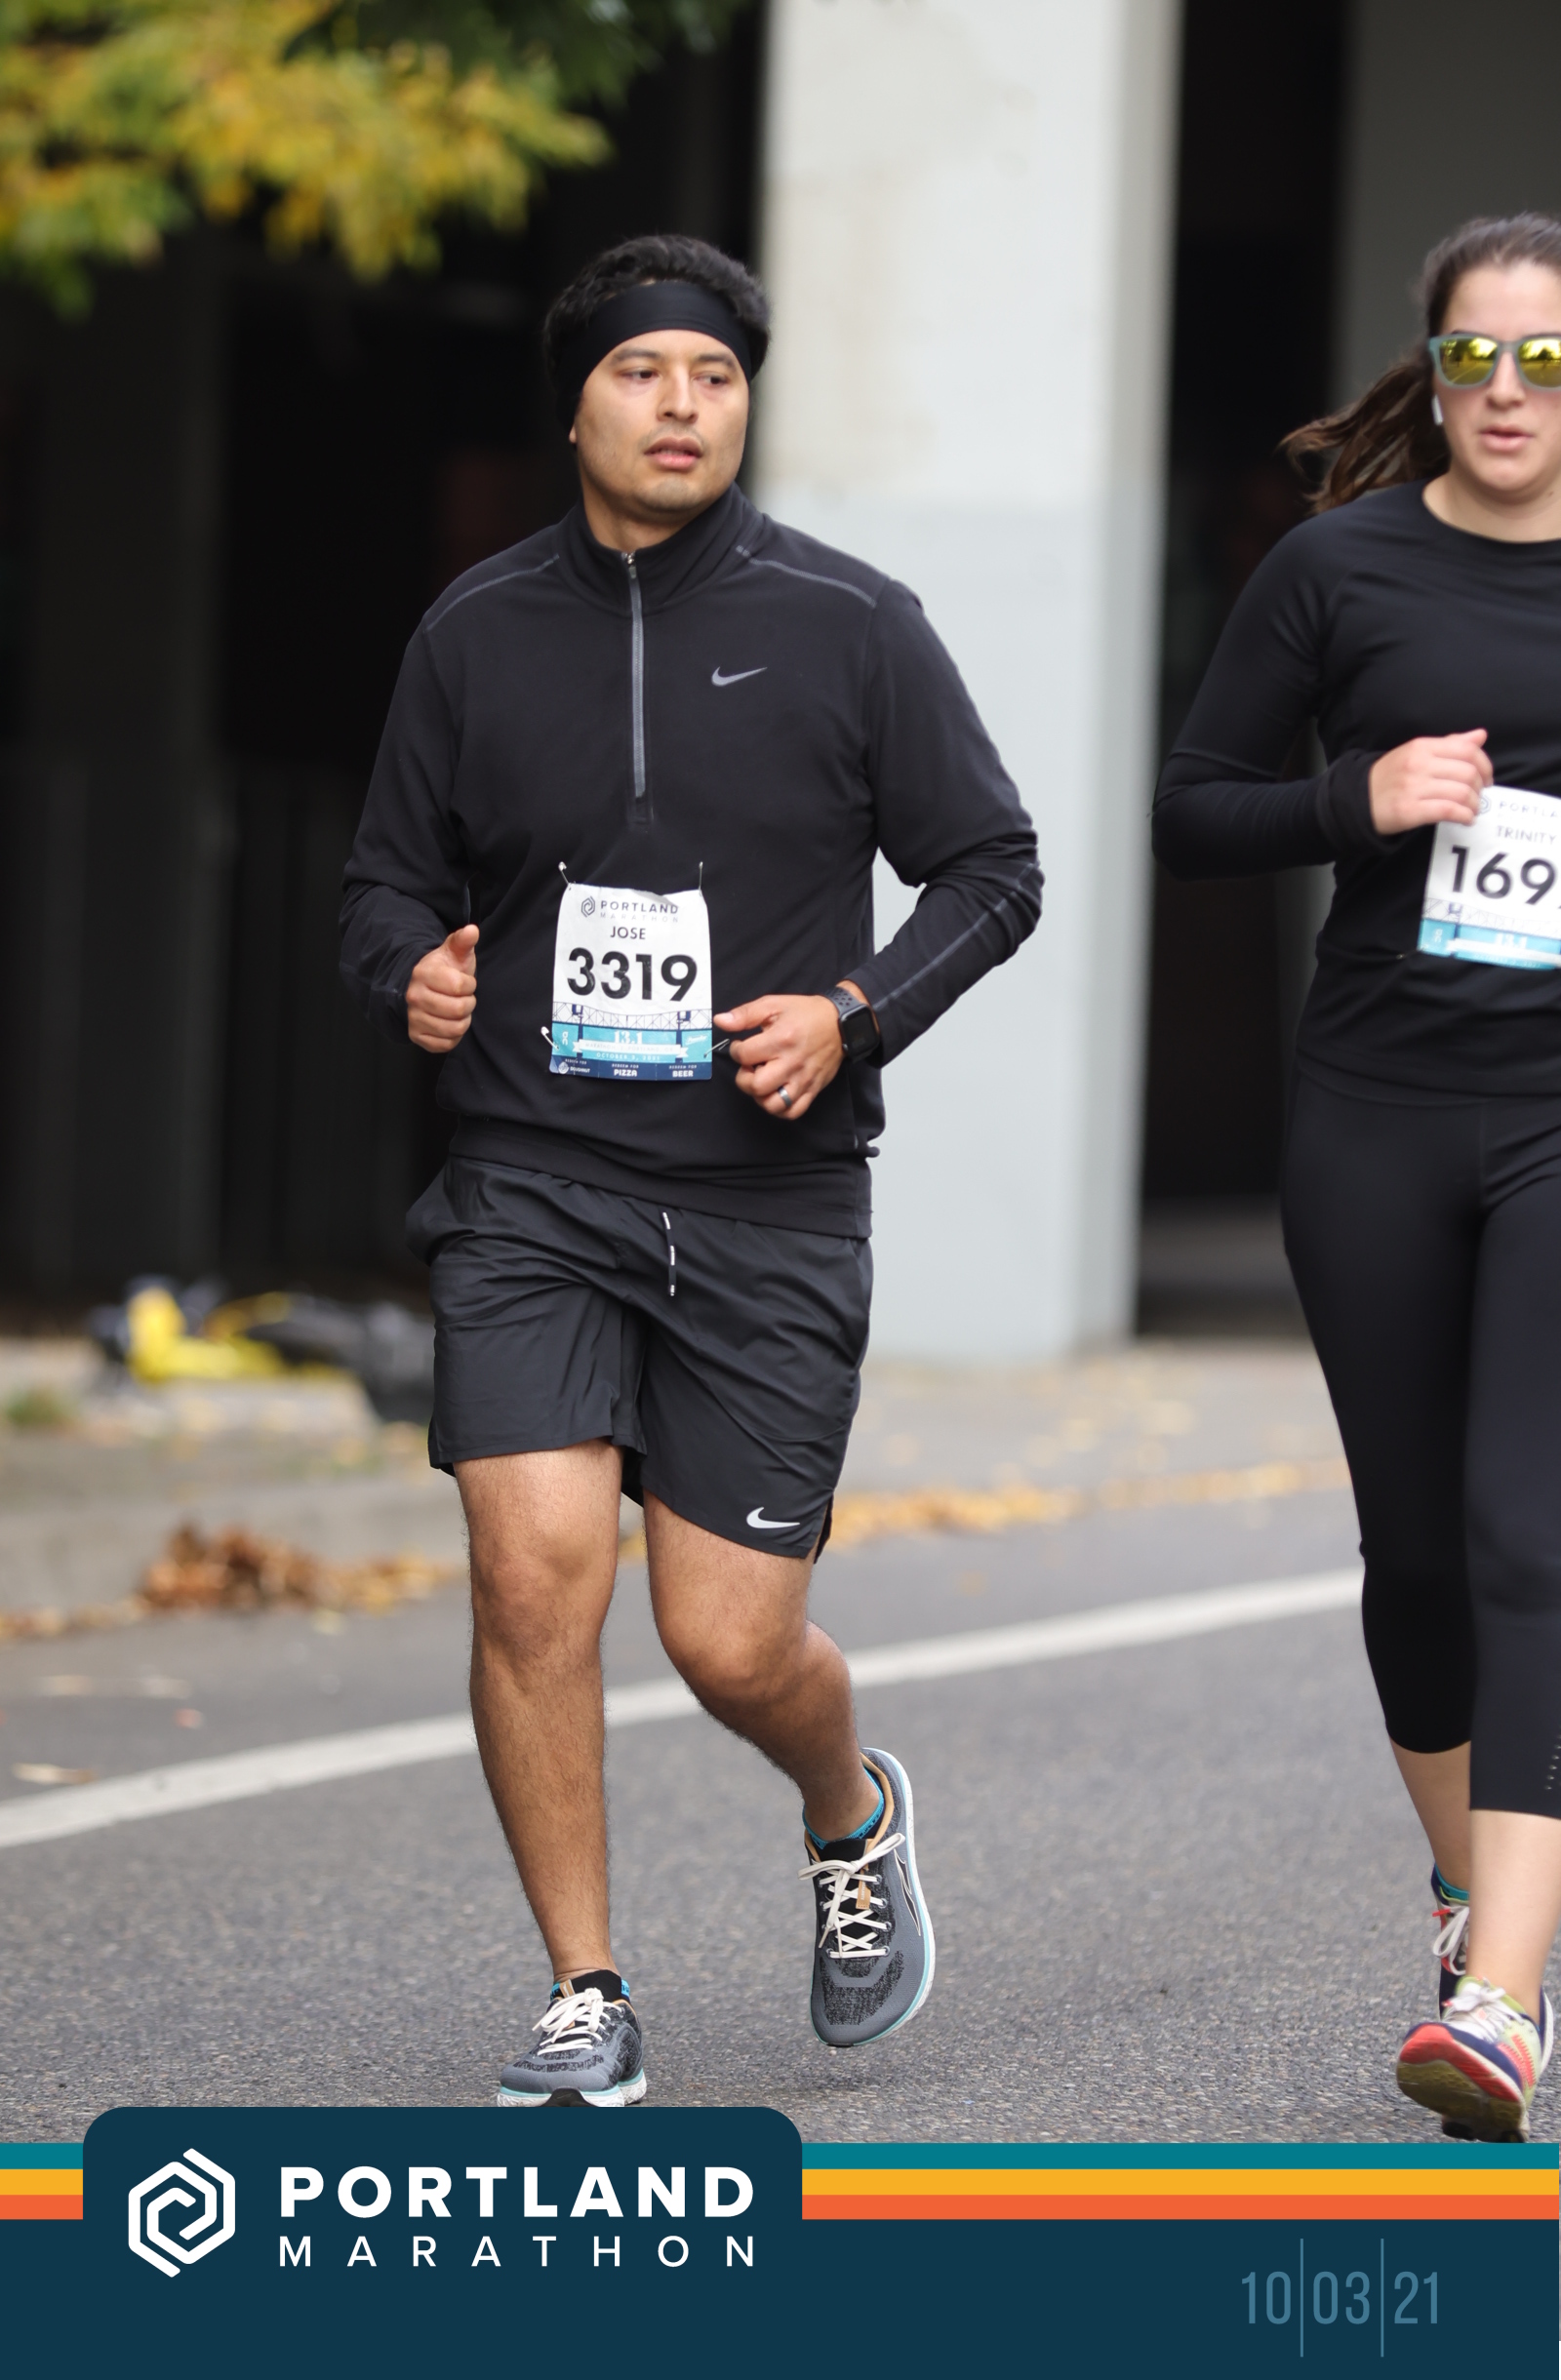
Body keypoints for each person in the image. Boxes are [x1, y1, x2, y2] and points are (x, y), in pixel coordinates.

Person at [340, 233, 1042, 2106]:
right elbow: (383, 884)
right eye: (643, 373)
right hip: (533, 1178)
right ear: (575, 405)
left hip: (767, 1200)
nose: (680, 406)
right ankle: (585, 1990)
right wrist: (409, 974)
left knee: (730, 1645)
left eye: (715, 377)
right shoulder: (474, 632)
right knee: (531, 1576)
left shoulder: (853, 623)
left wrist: (855, 1016)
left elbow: (995, 870)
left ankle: (847, 1802)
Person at [1154, 212, 1561, 2142]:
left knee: (1526, 1531)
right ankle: (1469, 1891)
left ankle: (1500, 1999)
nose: (1508, 390)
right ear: (1433, 367)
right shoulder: (1338, 569)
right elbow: (1190, 812)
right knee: (1415, 1551)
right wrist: (1360, 797)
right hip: (1377, 1103)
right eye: (1476, 355)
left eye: (1546, 359)